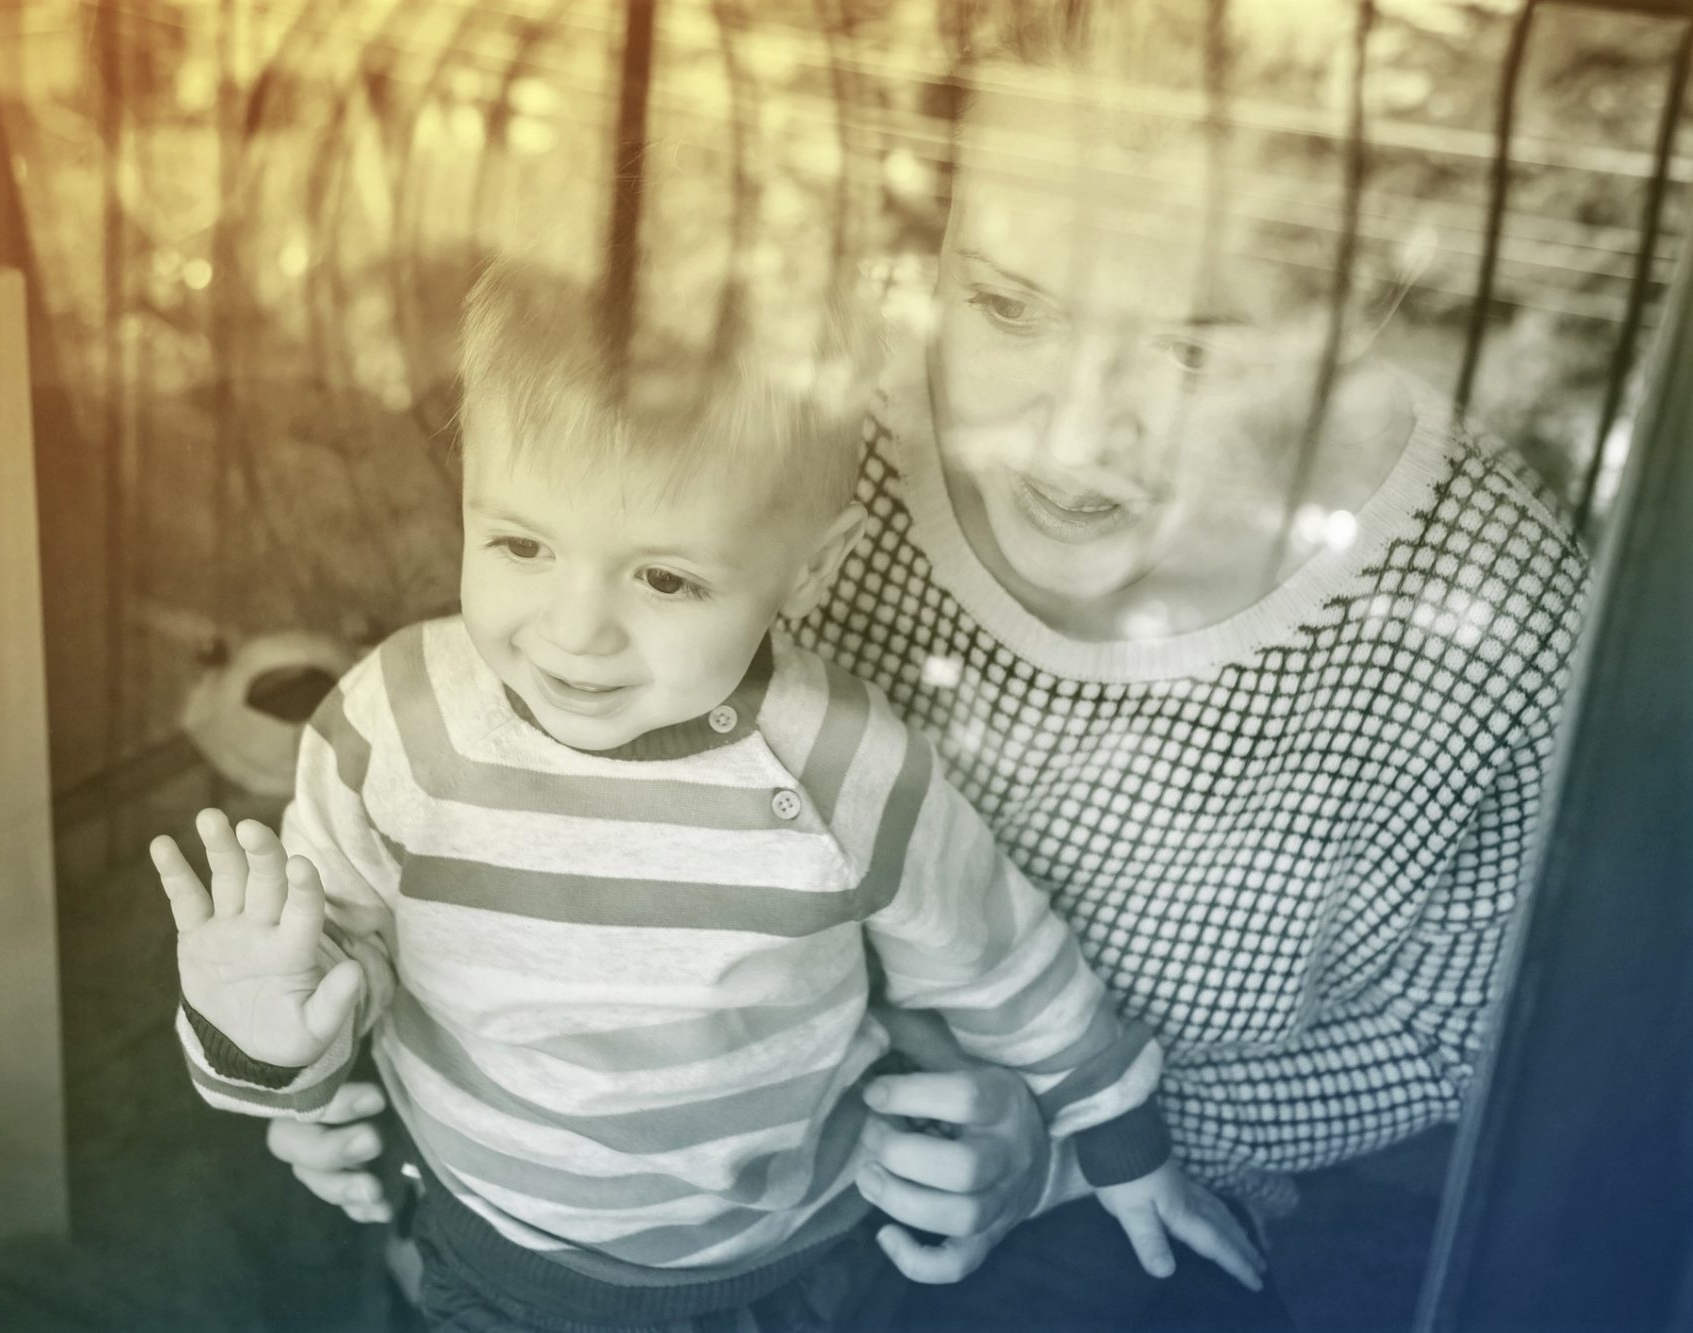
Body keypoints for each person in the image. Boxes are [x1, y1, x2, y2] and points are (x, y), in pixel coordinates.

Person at [263, 4, 1589, 1329]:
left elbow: (1462, 1033)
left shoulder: (1487, 618)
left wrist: (1071, 1150)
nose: (1070, 438)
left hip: (1125, 1202)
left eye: (1192, 348)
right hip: (620, 1199)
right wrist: (353, 1050)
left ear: (1368, 306)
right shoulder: (796, 407)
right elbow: (508, 732)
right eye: (1007, 305)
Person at [152, 260, 1264, 1332]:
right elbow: (333, 982)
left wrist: (1125, 1152)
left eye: (665, 577)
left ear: (810, 572)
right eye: (519, 542)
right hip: (505, 1264)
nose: (574, 626)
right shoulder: (389, 723)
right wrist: (253, 1020)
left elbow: (997, 955)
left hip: (804, 1257)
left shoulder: (839, 760)